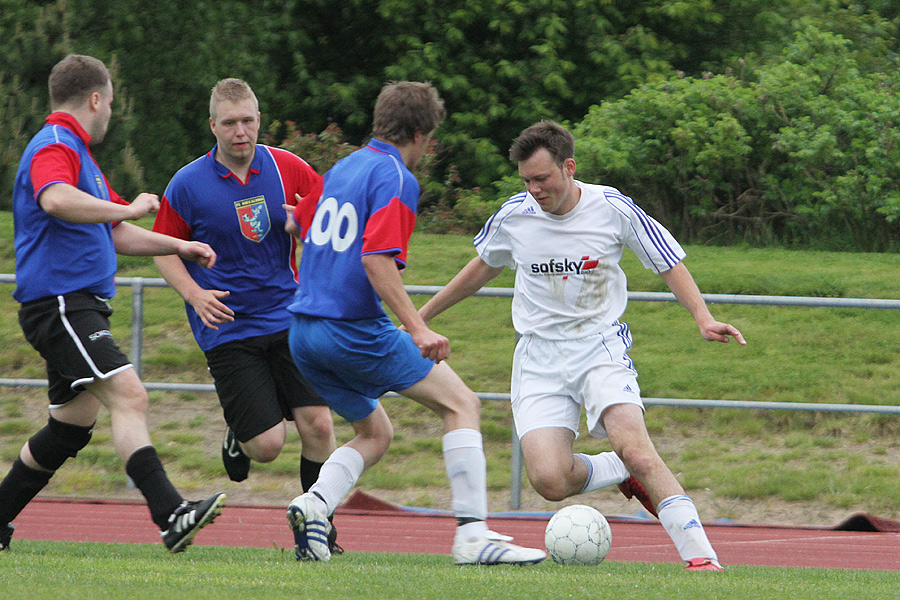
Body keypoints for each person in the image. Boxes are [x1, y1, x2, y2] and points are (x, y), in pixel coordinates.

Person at [418, 120, 747, 572]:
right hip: (538, 357)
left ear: (569, 167)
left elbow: (668, 261)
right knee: (550, 481)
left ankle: (701, 557)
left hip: (600, 348)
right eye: (527, 181)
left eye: (542, 178)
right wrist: (421, 318)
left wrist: (703, 317)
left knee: (636, 445)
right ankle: (619, 470)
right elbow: (482, 266)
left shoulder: (612, 207)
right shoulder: (514, 215)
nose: (534, 189)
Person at [282, 81, 546, 565]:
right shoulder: (397, 177)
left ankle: (313, 503)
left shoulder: (342, 167)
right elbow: (376, 261)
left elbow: (294, 224)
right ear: (423, 133)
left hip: (302, 332)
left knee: (374, 433)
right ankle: (472, 536)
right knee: (461, 404)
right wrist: (418, 327)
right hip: (349, 329)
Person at [0, 54, 226, 554]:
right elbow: (55, 200)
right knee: (130, 396)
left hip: (77, 305)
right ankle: (171, 515)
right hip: (61, 304)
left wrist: (179, 246)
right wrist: (127, 206)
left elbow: (115, 230)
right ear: (96, 99)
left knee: (70, 427)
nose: (110, 114)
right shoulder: (57, 144)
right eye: (111, 104)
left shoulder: (80, 154)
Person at [151, 78, 340, 552]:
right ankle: (242, 434)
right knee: (267, 447)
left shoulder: (288, 168)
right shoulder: (188, 183)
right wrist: (194, 295)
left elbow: (331, 217)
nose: (241, 131)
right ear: (213, 125)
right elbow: (163, 249)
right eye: (230, 123)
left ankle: (317, 534)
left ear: (260, 119)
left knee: (319, 425)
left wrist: (309, 221)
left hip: (289, 315)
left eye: (249, 120)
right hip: (228, 327)